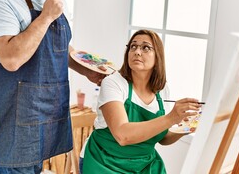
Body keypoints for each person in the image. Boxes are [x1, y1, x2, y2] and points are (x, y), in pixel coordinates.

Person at [0, 0, 104, 173]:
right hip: (12, 108)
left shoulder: (58, 3)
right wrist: (46, 16)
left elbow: (59, 49)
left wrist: (89, 71)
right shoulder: (1, 1)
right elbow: (11, 59)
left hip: (48, 104)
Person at [82, 29, 203, 173]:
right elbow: (122, 135)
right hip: (104, 162)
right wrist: (171, 118)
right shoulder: (113, 83)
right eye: (133, 46)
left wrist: (187, 126)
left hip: (144, 166)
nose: (137, 52)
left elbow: (162, 138)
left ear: (157, 56)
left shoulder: (162, 89)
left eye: (145, 47)